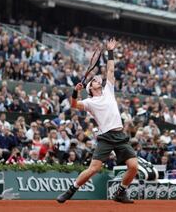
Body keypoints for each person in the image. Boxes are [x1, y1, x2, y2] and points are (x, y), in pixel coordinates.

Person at [57, 39, 138, 204]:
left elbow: (110, 69)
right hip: (106, 137)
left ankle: (121, 192)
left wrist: (110, 51)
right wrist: (74, 91)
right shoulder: (89, 102)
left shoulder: (109, 89)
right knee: (94, 168)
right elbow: (73, 105)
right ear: (90, 88)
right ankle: (71, 190)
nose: (97, 80)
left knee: (134, 166)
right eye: (94, 80)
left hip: (120, 135)